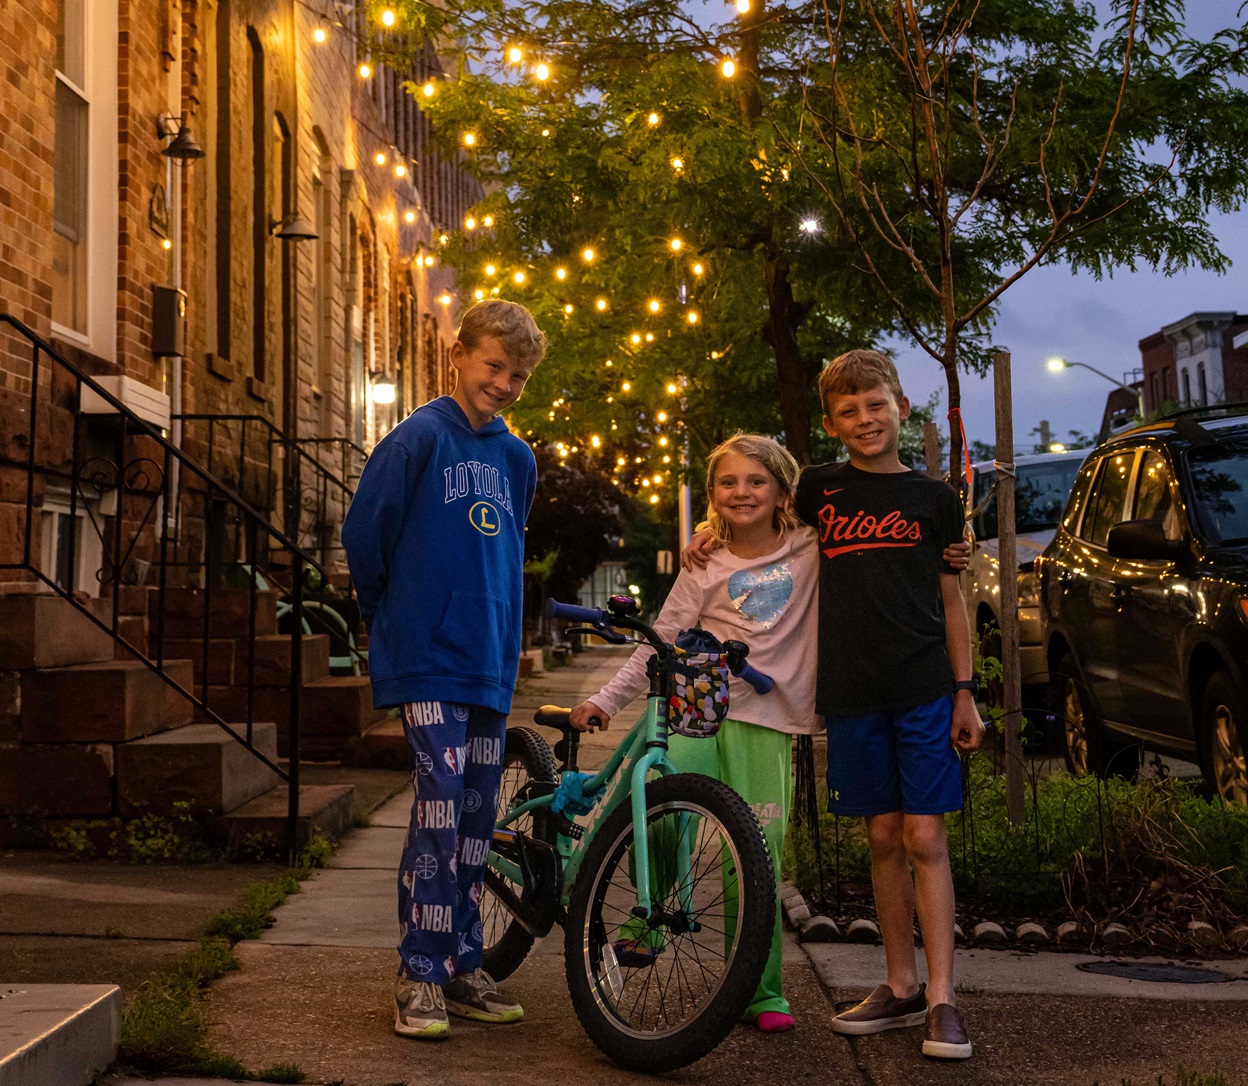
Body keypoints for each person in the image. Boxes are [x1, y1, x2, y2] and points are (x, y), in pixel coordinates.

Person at [342, 299, 546, 1041]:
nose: (504, 383)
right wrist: (391, 613)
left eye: (518, 375)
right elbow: (367, 535)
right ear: (458, 354)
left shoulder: (518, 458)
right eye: (494, 365)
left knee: (475, 817)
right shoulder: (417, 439)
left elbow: (505, 550)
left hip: (487, 659)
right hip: (426, 655)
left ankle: (463, 961)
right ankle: (418, 974)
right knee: (438, 803)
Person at [570, 433, 820, 1034]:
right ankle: (651, 918)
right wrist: (605, 699)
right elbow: (661, 641)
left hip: (769, 718)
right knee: (649, 799)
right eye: (728, 482)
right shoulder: (705, 562)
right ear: (711, 494)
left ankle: (760, 991)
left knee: (757, 852)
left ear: (782, 489)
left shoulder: (814, 547)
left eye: (756, 481)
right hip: (697, 711)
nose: (742, 492)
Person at [798, 349, 985, 1060]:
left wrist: (965, 694)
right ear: (830, 424)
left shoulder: (934, 499)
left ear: (902, 407)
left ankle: (943, 999)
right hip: (852, 691)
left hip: (924, 689)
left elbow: (950, 599)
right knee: (880, 837)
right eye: (848, 411)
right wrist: (708, 535)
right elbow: (763, 533)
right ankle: (899, 985)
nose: (865, 419)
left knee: (924, 837)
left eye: (876, 405)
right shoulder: (818, 489)